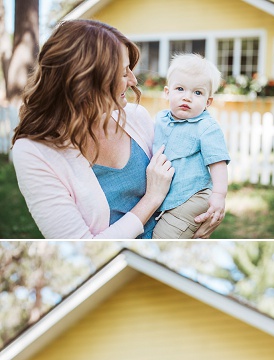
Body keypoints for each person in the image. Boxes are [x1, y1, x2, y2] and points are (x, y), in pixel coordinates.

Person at [10, 20, 224, 239]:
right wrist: (151, 199)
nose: (133, 80)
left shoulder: (136, 117)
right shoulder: (34, 152)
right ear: (85, 79)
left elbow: (188, 166)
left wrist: (211, 206)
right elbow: (84, 244)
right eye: (123, 73)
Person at [152, 54, 229, 239]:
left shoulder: (206, 127)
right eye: (180, 89)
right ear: (167, 92)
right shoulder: (160, 119)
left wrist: (218, 195)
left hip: (193, 196)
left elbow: (218, 163)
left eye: (197, 93)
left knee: (164, 236)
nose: (187, 97)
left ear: (208, 102)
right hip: (170, 196)